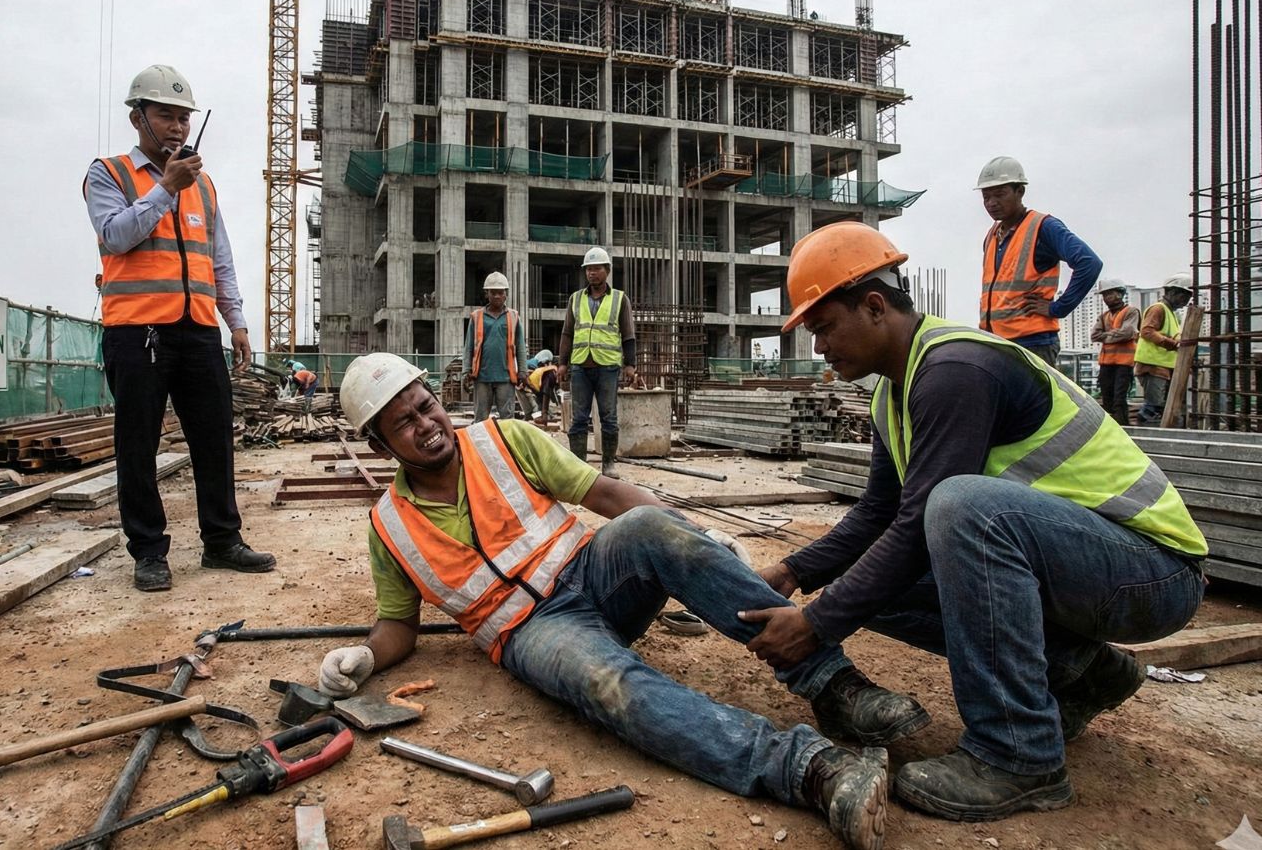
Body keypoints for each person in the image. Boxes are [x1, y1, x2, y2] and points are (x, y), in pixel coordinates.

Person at [317, 353, 942, 850]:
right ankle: (810, 769)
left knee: (650, 529)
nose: (427, 425)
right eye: (404, 422)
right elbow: (399, 625)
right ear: (381, 445)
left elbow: (608, 496)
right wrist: (366, 658)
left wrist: (691, 537)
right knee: (606, 681)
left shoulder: (503, 439)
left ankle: (837, 688)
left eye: (426, 407)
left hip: (595, 574)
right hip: (534, 631)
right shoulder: (390, 526)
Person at [764, 221, 1206, 822]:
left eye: (823, 327)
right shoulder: (891, 394)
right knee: (872, 585)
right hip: (1090, 568)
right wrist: (794, 571)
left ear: (873, 306)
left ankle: (1018, 755)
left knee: (959, 508)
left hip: (1153, 572)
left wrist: (815, 627)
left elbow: (921, 519)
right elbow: (876, 515)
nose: (819, 347)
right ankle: (1085, 673)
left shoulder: (956, 369)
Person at [84, 64, 276, 592]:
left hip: (196, 330)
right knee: (138, 444)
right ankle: (149, 552)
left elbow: (220, 258)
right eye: (165, 115)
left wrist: (235, 322)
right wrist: (165, 189)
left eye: (183, 118)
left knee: (214, 439)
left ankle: (222, 541)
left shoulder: (203, 186)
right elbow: (116, 236)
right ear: (137, 117)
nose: (176, 127)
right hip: (136, 332)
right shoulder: (109, 174)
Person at [975, 156, 1102, 367]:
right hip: (996, 340)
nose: (991, 203)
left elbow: (1089, 263)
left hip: (1033, 343)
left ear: (1020, 191)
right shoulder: (992, 235)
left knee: (1033, 401)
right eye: (986, 197)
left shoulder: (1043, 227)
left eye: (999, 195)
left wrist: (1057, 308)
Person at [559, 247, 636, 478]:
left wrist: (630, 364)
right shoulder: (575, 299)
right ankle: (578, 466)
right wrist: (562, 363)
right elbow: (567, 333)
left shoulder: (619, 299)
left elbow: (628, 334)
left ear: (607, 271)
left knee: (608, 418)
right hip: (581, 366)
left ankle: (609, 464)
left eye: (597, 268)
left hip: (608, 368)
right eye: (589, 269)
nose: (592, 273)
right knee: (579, 418)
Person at [463, 272, 527, 421]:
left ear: (506, 294)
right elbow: (469, 347)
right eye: (493, 293)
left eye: (500, 293)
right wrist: (465, 371)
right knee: (480, 418)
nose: (497, 296)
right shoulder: (477, 317)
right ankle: (480, 445)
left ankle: (504, 445)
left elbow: (521, 347)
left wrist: (523, 371)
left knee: (507, 419)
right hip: (482, 376)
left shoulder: (513, 317)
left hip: (505, 376)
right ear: (487, 294)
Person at [1134, 273, 1194, 425]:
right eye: (1185, 296)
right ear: (1173, 292)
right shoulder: (1158, 309)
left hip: (1163, 367)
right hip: (1152, 366)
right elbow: (1147, 331)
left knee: (1161, 407)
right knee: (1153, 407)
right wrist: (1173, 344)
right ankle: (1146, 438)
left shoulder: (1171, 314)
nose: (1187, 301)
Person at [1088, 277, 1139, 426]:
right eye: (1105, 295)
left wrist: (1106, 336)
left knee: (1119, 399)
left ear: (1120, 294)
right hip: (1107, 364)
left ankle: (1123, 427)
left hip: (1123, 364)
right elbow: (1094, 336)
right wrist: (1115, 335)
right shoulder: (1104, 316)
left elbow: (1128, 333)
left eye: (1110, 294)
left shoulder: (1131, 312)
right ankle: (1111, 427)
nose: (1107, 298)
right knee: (1107, 399)